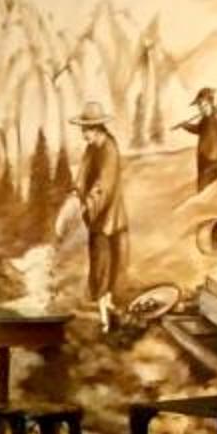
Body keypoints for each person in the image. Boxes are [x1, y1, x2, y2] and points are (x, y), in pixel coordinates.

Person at [73, 102, 130, 317]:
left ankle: (104, 307)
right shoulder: (92, 148)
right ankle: (101, 304)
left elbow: (103, 186)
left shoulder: (109, 149)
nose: (83, 134)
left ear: (96, 128)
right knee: (98, 260)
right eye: (82, 129)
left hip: (108, 216)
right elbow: (82, 174)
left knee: (104, 261)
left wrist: (86, 204)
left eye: (85, 129)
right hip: (96, 214)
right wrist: (75, 193)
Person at [180, 85, 217, 191]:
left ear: (210, 103)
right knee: (202, 187)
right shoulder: (205, 118)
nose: (201, 108)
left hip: (213, 156)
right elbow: (198, 129)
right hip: (203, 156)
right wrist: (186, 125)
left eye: (203, 105)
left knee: (210, 188)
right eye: (199, 106)